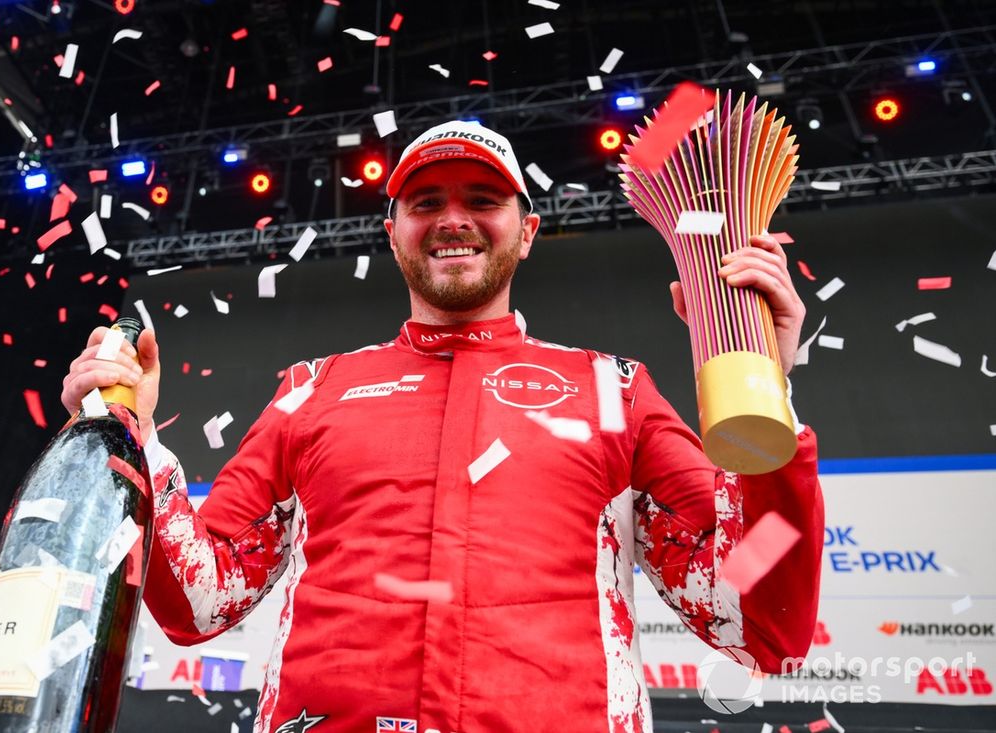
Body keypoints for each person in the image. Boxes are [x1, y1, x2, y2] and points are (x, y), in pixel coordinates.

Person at [61, 120, 823, 733]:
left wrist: (769, 400)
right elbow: (198, 602)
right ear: (391, 232)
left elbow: (755, 619)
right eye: (425, 202)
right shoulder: (311, 389)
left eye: (482, 199)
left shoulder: (614, 389)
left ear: (527, 230)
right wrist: (134, 431)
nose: (453, 219)